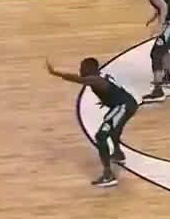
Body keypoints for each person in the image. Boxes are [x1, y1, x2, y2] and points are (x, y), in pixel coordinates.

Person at [46, 57, 138, 188]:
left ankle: (108, 175)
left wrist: (56, 73)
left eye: (82, 68)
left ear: (90, 69)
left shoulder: (95, 79)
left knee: (101, 135)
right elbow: (112, 90)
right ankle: (118, 154)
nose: (80, 70)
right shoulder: (100, 77)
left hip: (123, 106)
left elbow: (79, 80)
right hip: (126, 104)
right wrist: (107, 100)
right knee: (112, 129)